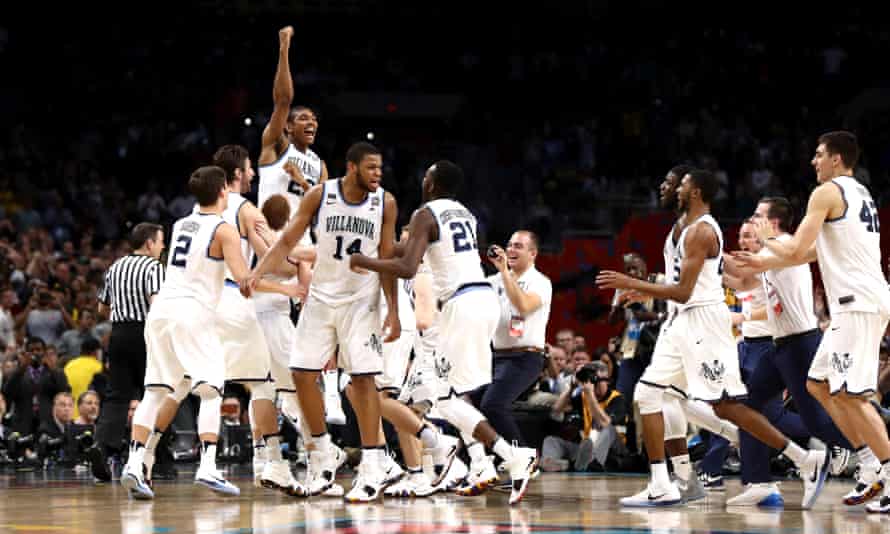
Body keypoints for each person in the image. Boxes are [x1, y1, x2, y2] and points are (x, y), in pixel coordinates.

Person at [598, 169, 830, 509]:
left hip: (705, 324)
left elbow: (683, 290)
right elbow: (689, 280)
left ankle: (804, 458)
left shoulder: (703, 231)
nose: (668, 187)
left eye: (677, 183)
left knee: (726, 405)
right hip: (680, 322)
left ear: (694, 192)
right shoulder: (678, 228)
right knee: (649, 395)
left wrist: (636, 285)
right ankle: (663, 483)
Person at [346, 160, 538, 505]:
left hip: (460, 304)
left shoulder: (424, 213)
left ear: (432, 184)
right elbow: (413, 251)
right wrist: (381, 247)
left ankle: (506, 456)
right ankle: (488, 461)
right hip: (481, 299)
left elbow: (407, 266)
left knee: (445, 398)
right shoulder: (465, 213)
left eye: (426, 176)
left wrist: (365, 261)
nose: (422, 180)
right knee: (451, 395)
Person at [133, 146, 309, 496]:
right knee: (261, 382)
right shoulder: (244, 209)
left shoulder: (187, 216)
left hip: (189, 305)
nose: (254, 175)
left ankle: (144, 459)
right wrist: (308, 263)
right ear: (236, 177)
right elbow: (274, 257)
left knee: (179, 383)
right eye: (249, 170)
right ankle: (270, 461)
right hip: (228, 298)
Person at [735, 131, 890, 512]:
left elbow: (800, 248)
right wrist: (763, 260)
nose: (813, 161)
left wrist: (764, 248)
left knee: (852, 395)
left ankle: (886, 470)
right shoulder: (859, 194)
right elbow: (809, 255)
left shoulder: (826, 193)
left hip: (858, 304)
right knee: (819, 385)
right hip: (853, 305)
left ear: (837, 159)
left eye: (819, 154)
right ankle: (869, 463)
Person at [244, 142, 401, 503]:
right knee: (300, 373)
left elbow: (388, 257)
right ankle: (322, 457)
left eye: (380, 168)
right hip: (321, 295)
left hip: (362, 299)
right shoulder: (321, 194)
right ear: (351, 167)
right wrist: (257, 272)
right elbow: (287, 239)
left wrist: (392, 309)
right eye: (371, 167)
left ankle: (374, 466)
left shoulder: (386, 203)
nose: (378, 174)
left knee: (363, 380)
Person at [92, 222, 165, 481]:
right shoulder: (154, 267)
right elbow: (157, 306)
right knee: (155, 392)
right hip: (146, 333)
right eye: (160, 241)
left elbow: (102, 309)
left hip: (119, 333)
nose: (163, 246)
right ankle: (155, 455)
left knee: (116, 396)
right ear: (149, 243)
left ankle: (102, 446)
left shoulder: (115, 267)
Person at [473, 230, 552, 445]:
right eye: (509, 245)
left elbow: (523, 305)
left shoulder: (541, 282)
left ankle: (523, 456)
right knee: (468, 404)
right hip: (494, 357)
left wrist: (504, 271)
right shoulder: (493, 281)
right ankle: (488, 459)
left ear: (533, 253)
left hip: (525, 358)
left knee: (493, 405)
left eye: (518, 246)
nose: (511, 250)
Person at [541, 361, 628, 472]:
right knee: (551, 441)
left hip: (612, 450)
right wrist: (571, 388)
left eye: (596, 380)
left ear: (607, 381)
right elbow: (556, 410)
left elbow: (604, 423)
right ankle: (554, 463)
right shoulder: (584, 396)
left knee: (607, 430)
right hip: (587, 449)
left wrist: (590, 394)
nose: (593, 384)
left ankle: (577, 465)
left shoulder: (618, 399)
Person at [1, 337, 70, 436]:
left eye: (38, 350)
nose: (35, 353)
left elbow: (66, 392)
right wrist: (21, 369)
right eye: (31, 350)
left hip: (48, 424)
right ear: (26, 353)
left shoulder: (56, 372)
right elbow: (7, 394)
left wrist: (53, 369)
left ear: (44, 352)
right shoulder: (18, 373)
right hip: (23, 425)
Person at [63, 337, 103, 419]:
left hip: (68, 416)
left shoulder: (69, 365)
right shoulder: (99, 367)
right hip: (88, 417)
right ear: (96, 352)